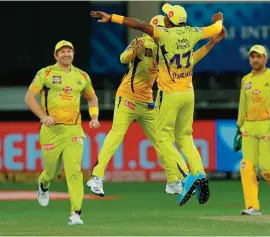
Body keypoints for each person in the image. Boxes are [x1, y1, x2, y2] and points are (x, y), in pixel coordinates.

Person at [90, 3, 224, 206]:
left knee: (163, 142)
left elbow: (144, 27)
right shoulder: (144, 42)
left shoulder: (163, 43)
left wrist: (114, 18)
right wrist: (134, 51)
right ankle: (97, 177)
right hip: (128, 97)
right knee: (120, 134)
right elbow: (123, 58)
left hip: (151, 101)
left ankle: (175, 181)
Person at [24, 40, 100, 225]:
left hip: (74, 130)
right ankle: (44, 185)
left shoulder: (82, 76)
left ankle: (76, 214)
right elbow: (29, 98)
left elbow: (92, 98)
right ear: (56, 55)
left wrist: (94, 117)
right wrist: (43, 116)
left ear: (73, 53)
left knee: (74, 171)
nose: (66, 54)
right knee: (52, 170)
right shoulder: (46, 73)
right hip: (51, 131)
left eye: (69, 51)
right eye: (62, 52)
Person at [234, 45, 270, 215]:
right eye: (252, 57)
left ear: (266, 58)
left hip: (268, 125)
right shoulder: (246, 80)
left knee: (267, 169)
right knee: (246, 166)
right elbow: (242, 105)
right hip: (249, 128)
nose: (255, 60)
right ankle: (253, 206)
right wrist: (239, 127)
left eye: (259, 57)